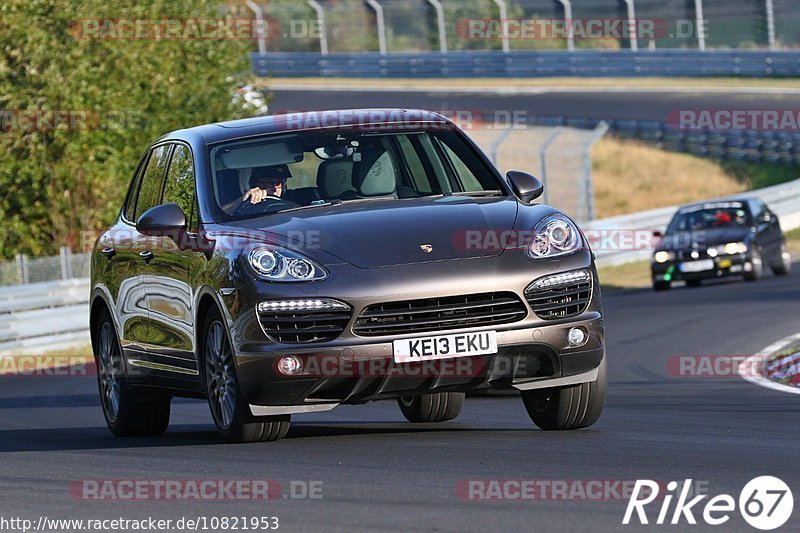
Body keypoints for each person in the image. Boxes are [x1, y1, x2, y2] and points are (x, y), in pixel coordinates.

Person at [222, 164, 290, 212]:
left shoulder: (293, 201)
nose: (274, 188)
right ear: (254, 184)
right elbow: (220, 214)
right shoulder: (244, 207)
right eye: (268, 183)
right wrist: (241, 201)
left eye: (278, 183)